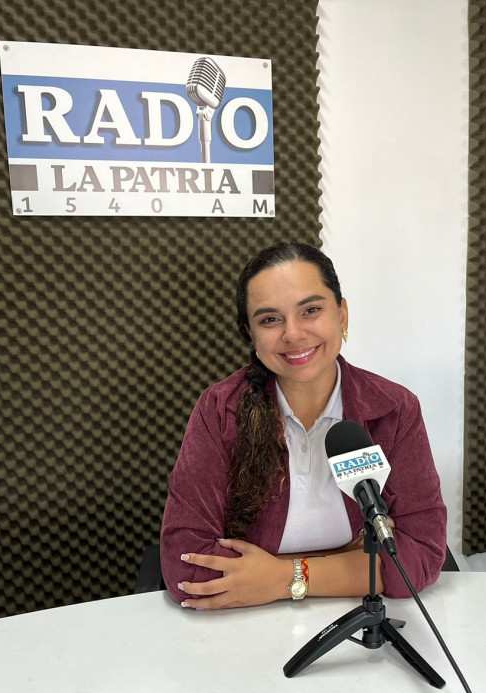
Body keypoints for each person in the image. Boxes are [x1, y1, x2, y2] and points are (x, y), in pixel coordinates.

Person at [160, 242, 447, 610]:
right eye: (269, 319)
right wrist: (351, 559)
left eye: (310, 310)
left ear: (341, 315)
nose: (293, 334)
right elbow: (188, 572)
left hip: (360, 618)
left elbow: (421, 555)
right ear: (250, 333)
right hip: (244, 628)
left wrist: (281, 577)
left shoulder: (394, 409)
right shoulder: (219, 411)